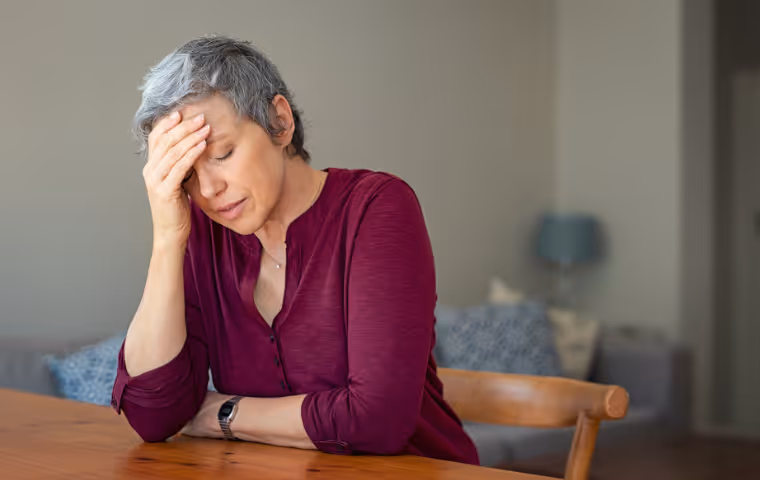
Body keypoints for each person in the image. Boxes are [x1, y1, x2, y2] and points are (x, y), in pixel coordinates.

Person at [111, 35, 479, 465]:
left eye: (223, 154)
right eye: (185, 177)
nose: (209, 190)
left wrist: (219, 413)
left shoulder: (376, 208)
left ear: (279, 121)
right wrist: (166, 239)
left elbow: (378, 419)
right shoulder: (202, 234)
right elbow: (153, 417)